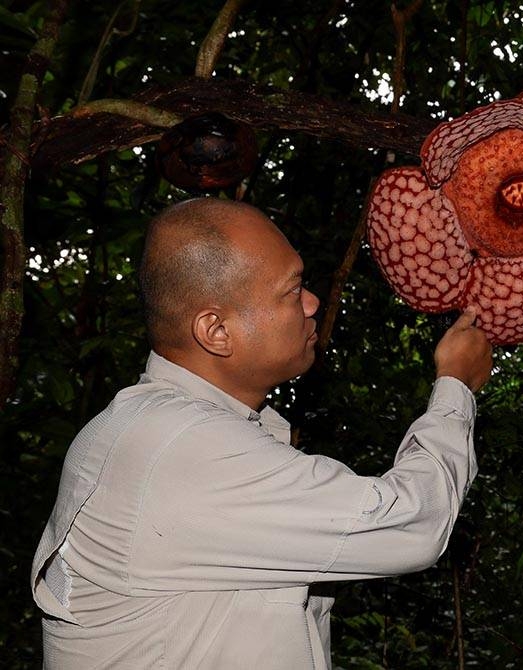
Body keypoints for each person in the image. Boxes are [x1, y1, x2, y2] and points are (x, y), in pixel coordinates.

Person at [30, 197, 493, 669]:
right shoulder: (180, 447)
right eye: (292, 290)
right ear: (216, 330)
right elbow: (412, 524)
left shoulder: (165, 428)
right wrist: (456, 387)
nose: (312, 302)